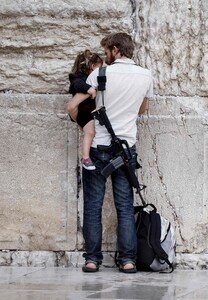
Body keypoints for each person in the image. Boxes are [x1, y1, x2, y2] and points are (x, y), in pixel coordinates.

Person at [81, 32, 153, 273]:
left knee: (93, 206)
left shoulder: (99, 74)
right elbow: (141, 109)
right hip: (125, 149)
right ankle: (128, 260)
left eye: (106, 51)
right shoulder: (145, 75)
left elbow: (84, 106)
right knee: (124, 205)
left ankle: (92, 260)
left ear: (115, 49)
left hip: (98, 148)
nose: (105, 56)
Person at [66, 50, 103, 170]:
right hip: (84, 113)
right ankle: (85, 158)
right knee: (90, 132)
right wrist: (89, 89)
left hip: (89, 113)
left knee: (91, 133)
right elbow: (76, 85)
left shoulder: (86, 78)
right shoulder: (78, 78)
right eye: (99, 68)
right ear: (92, 67)